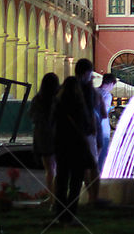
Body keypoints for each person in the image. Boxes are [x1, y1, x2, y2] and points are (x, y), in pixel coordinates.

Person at [53, 76, 96, 224]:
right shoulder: (79, 104)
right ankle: (70, 214)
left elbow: (52, 124)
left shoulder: (57, 104)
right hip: (77, 147)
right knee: (76, 182)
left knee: (62, 180)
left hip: (61, 146)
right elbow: (87, 127)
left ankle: (60, 214)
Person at [74, 59, 105, 204]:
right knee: (93, 166)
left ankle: (87, 197)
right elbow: (94, 113)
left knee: (82, 167)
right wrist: (93, 130)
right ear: (87, 72)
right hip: (87, 133)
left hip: (73, 134)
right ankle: (94, 197)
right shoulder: (88, 90)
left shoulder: (70, 86)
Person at [30, 72, 60, 201]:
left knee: (49, 170)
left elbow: (32, 117)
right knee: (59, 169)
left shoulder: (38, 99)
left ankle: (52, 196)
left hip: (43, 137)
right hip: (58, 136)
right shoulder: (58, 98)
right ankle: (60, 195)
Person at [96, 73, 118, 172]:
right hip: (103, 129)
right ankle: (99, 180)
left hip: (92, 128)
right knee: (102, 156)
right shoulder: (107, 95)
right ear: (111, 83)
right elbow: (104, 112)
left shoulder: (93, 91)